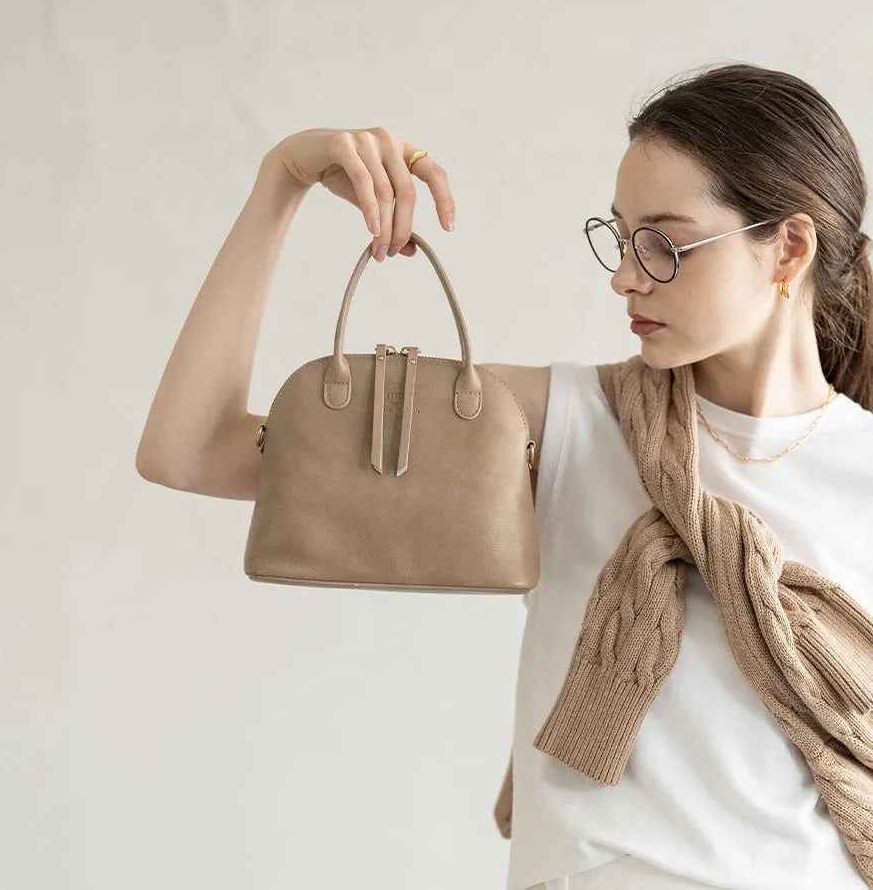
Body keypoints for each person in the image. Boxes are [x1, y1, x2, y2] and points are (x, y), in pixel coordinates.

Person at [135, 61, 873, 890]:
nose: (626, 277)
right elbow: (190, 450)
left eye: (664, 244)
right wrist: (282, 182)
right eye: (620, 237)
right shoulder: (562, 424)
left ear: (791, 248)